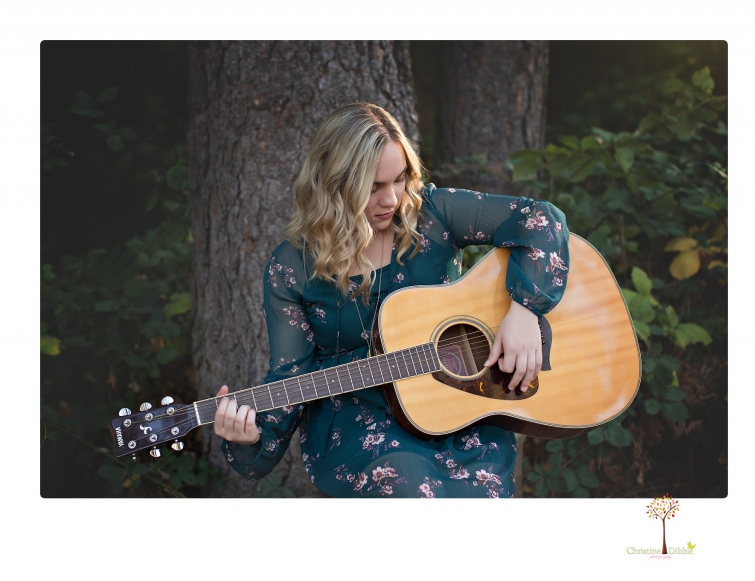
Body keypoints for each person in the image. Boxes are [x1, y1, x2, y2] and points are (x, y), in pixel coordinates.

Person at [213, 103, 569, 498]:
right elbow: (291, 375)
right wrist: (248, 438)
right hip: (360, 423)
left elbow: (542, 220)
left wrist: (524, 312)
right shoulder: (293, 266)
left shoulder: (434, 215)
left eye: (400, 180)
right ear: (332, 184)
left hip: (457, 405)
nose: (392, 199)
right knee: (408, 486)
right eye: (373, 187)